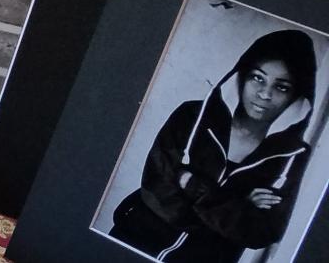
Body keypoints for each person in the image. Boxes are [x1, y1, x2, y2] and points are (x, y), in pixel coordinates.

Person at [109, 29, 317, 262]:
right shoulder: (192, 115)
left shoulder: (292, 156)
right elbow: (158, 192)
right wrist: (237, 207)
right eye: (258, 78)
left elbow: (262, 232)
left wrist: (193, 185)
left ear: (296, 97)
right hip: (134, 238)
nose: (265, 94)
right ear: (241, 76)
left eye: (281, 87)